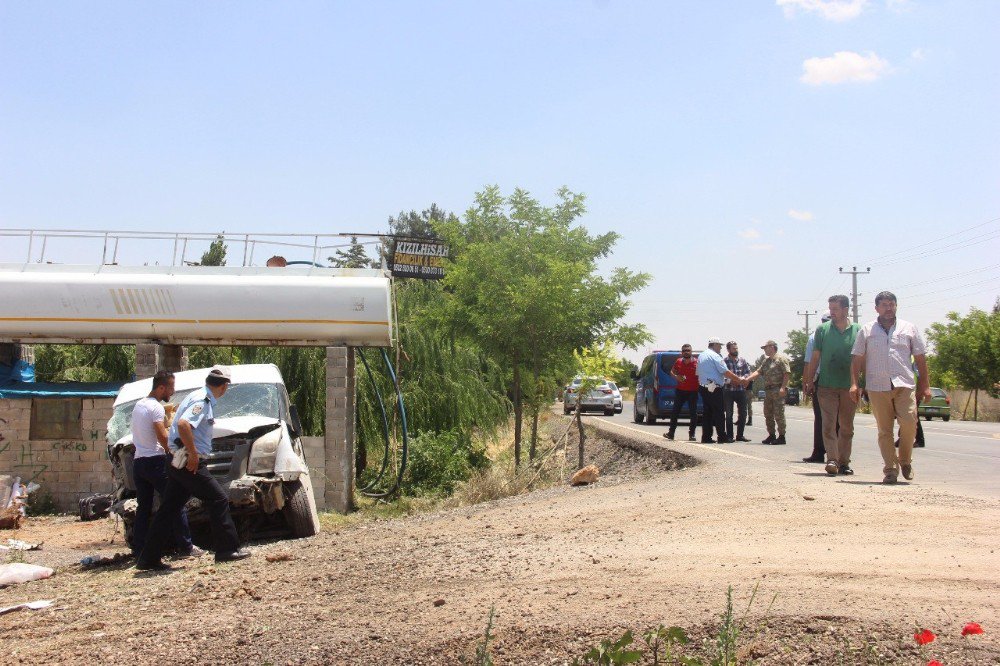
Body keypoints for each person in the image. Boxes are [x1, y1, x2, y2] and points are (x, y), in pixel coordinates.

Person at [137, 366, 251, 570]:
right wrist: (194, 454)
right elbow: (183, 425)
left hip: (176, 461)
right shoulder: (203, 401)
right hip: (187, 461)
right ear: (224, 387)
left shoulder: (196, 395)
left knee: (169, 509)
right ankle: (227, 550)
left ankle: (148, 558)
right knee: (218, 498)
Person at [850, 291, 931, 484]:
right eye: (884, 305)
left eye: (892, 304)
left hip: (904, 384)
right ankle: (890, 469)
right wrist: (855, 383)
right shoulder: (867, 330)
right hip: (877, 386)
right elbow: (857, 358)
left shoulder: (908, 328)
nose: (888, 308)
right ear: (876, 308)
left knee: (909, 424)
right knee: (884, 430)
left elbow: (920, 358)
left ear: (896, 306)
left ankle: (905, 459)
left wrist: (925, 385)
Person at [130, 370, 202, 559]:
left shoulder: (139, 405)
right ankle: (186, 547)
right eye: (171, 387)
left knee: (143, 508)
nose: (173, 391)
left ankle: (139, 550)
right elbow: (162, 437)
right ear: (161, 387)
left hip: (138, 462)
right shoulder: (156, 408)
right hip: (155, 461)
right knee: (175, 502)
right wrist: (178, 454)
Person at [803, 296, 860, 477]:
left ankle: (844, 462)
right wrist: (809, 380)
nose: (832, 312)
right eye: (830, 308)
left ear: (845, 310)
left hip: (849, 386)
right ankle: (832, 460)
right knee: (828, 425)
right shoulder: (822, 330)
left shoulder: (858, 330)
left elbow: (862, 359)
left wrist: (859, 384)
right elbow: (815, 357)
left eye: (835, 308)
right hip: (826, 386)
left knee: (846, 427)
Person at [696, 337, 747, 443]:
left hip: (704, 387)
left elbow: (698, 373)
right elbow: (725, 371)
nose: (720, 348)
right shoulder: (715, 356)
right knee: (719, 413)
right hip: (714, 388)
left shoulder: (702, 355)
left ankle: (706, 437)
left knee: (707, 414)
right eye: (719, 346)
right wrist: (738, 379)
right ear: (714, 345)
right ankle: (722, 436)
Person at [745, 340, 791, 444]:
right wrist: (748, 379)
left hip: (777, 389)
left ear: (772, 347)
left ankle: (782, 436)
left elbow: (786, 373)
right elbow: (758, 372)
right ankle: (771, 435)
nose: (764, 350)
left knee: (779, 413)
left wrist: (783, 387)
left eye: (765, 347)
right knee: (768, 413)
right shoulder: (766, 361)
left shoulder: (781, 359)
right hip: (768, 390)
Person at [802, 314, 832, 463]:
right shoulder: (840, 334)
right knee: (836, 419)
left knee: (821, 418)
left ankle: (819, 452)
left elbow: (808, 363)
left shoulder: (815, 337)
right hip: (834, 379)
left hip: (821, 379)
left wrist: (807, 383)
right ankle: (837, 454)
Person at [664, 344, 699, 442]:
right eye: (684, 350)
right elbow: (672, 372)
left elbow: (702, 375)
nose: (686, 352)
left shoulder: (697, 362)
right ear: (682, 352)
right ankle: (671, 433)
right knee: (675, 412)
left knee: (693, 414)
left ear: (691, 351)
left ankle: (692, 434)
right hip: (680, 391)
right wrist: (677, 377)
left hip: (693, 391)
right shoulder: (678, 361)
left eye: (688, 350)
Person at [723, 341, 752, 442]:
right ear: (728, 350)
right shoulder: (724, 362)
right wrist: (730, 381)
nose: (736, 350)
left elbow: (748, 372)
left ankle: (740, 435)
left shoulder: (742, 361)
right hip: (728, 391)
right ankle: (730, 436)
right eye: (733, 348)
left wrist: (743, 379)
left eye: (736, 348)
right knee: (729, 414)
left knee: (743, 413)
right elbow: (720, 376)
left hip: (740, 391)